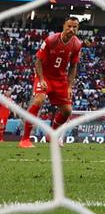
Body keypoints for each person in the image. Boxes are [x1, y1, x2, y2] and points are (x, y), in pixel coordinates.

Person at [19, 16, 82, 148]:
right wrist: (41, 79)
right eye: (69, 26)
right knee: (39, 100)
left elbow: (73, 67)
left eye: (74, 27)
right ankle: (25, 139)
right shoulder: (51, 40)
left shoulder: (77, 44)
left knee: (67, 111)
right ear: (64, 26)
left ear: (78, 28)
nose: (71, 29)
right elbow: (38, 61)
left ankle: (51, 135)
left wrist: (69, 86)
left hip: (60, 79)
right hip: (45, 76)